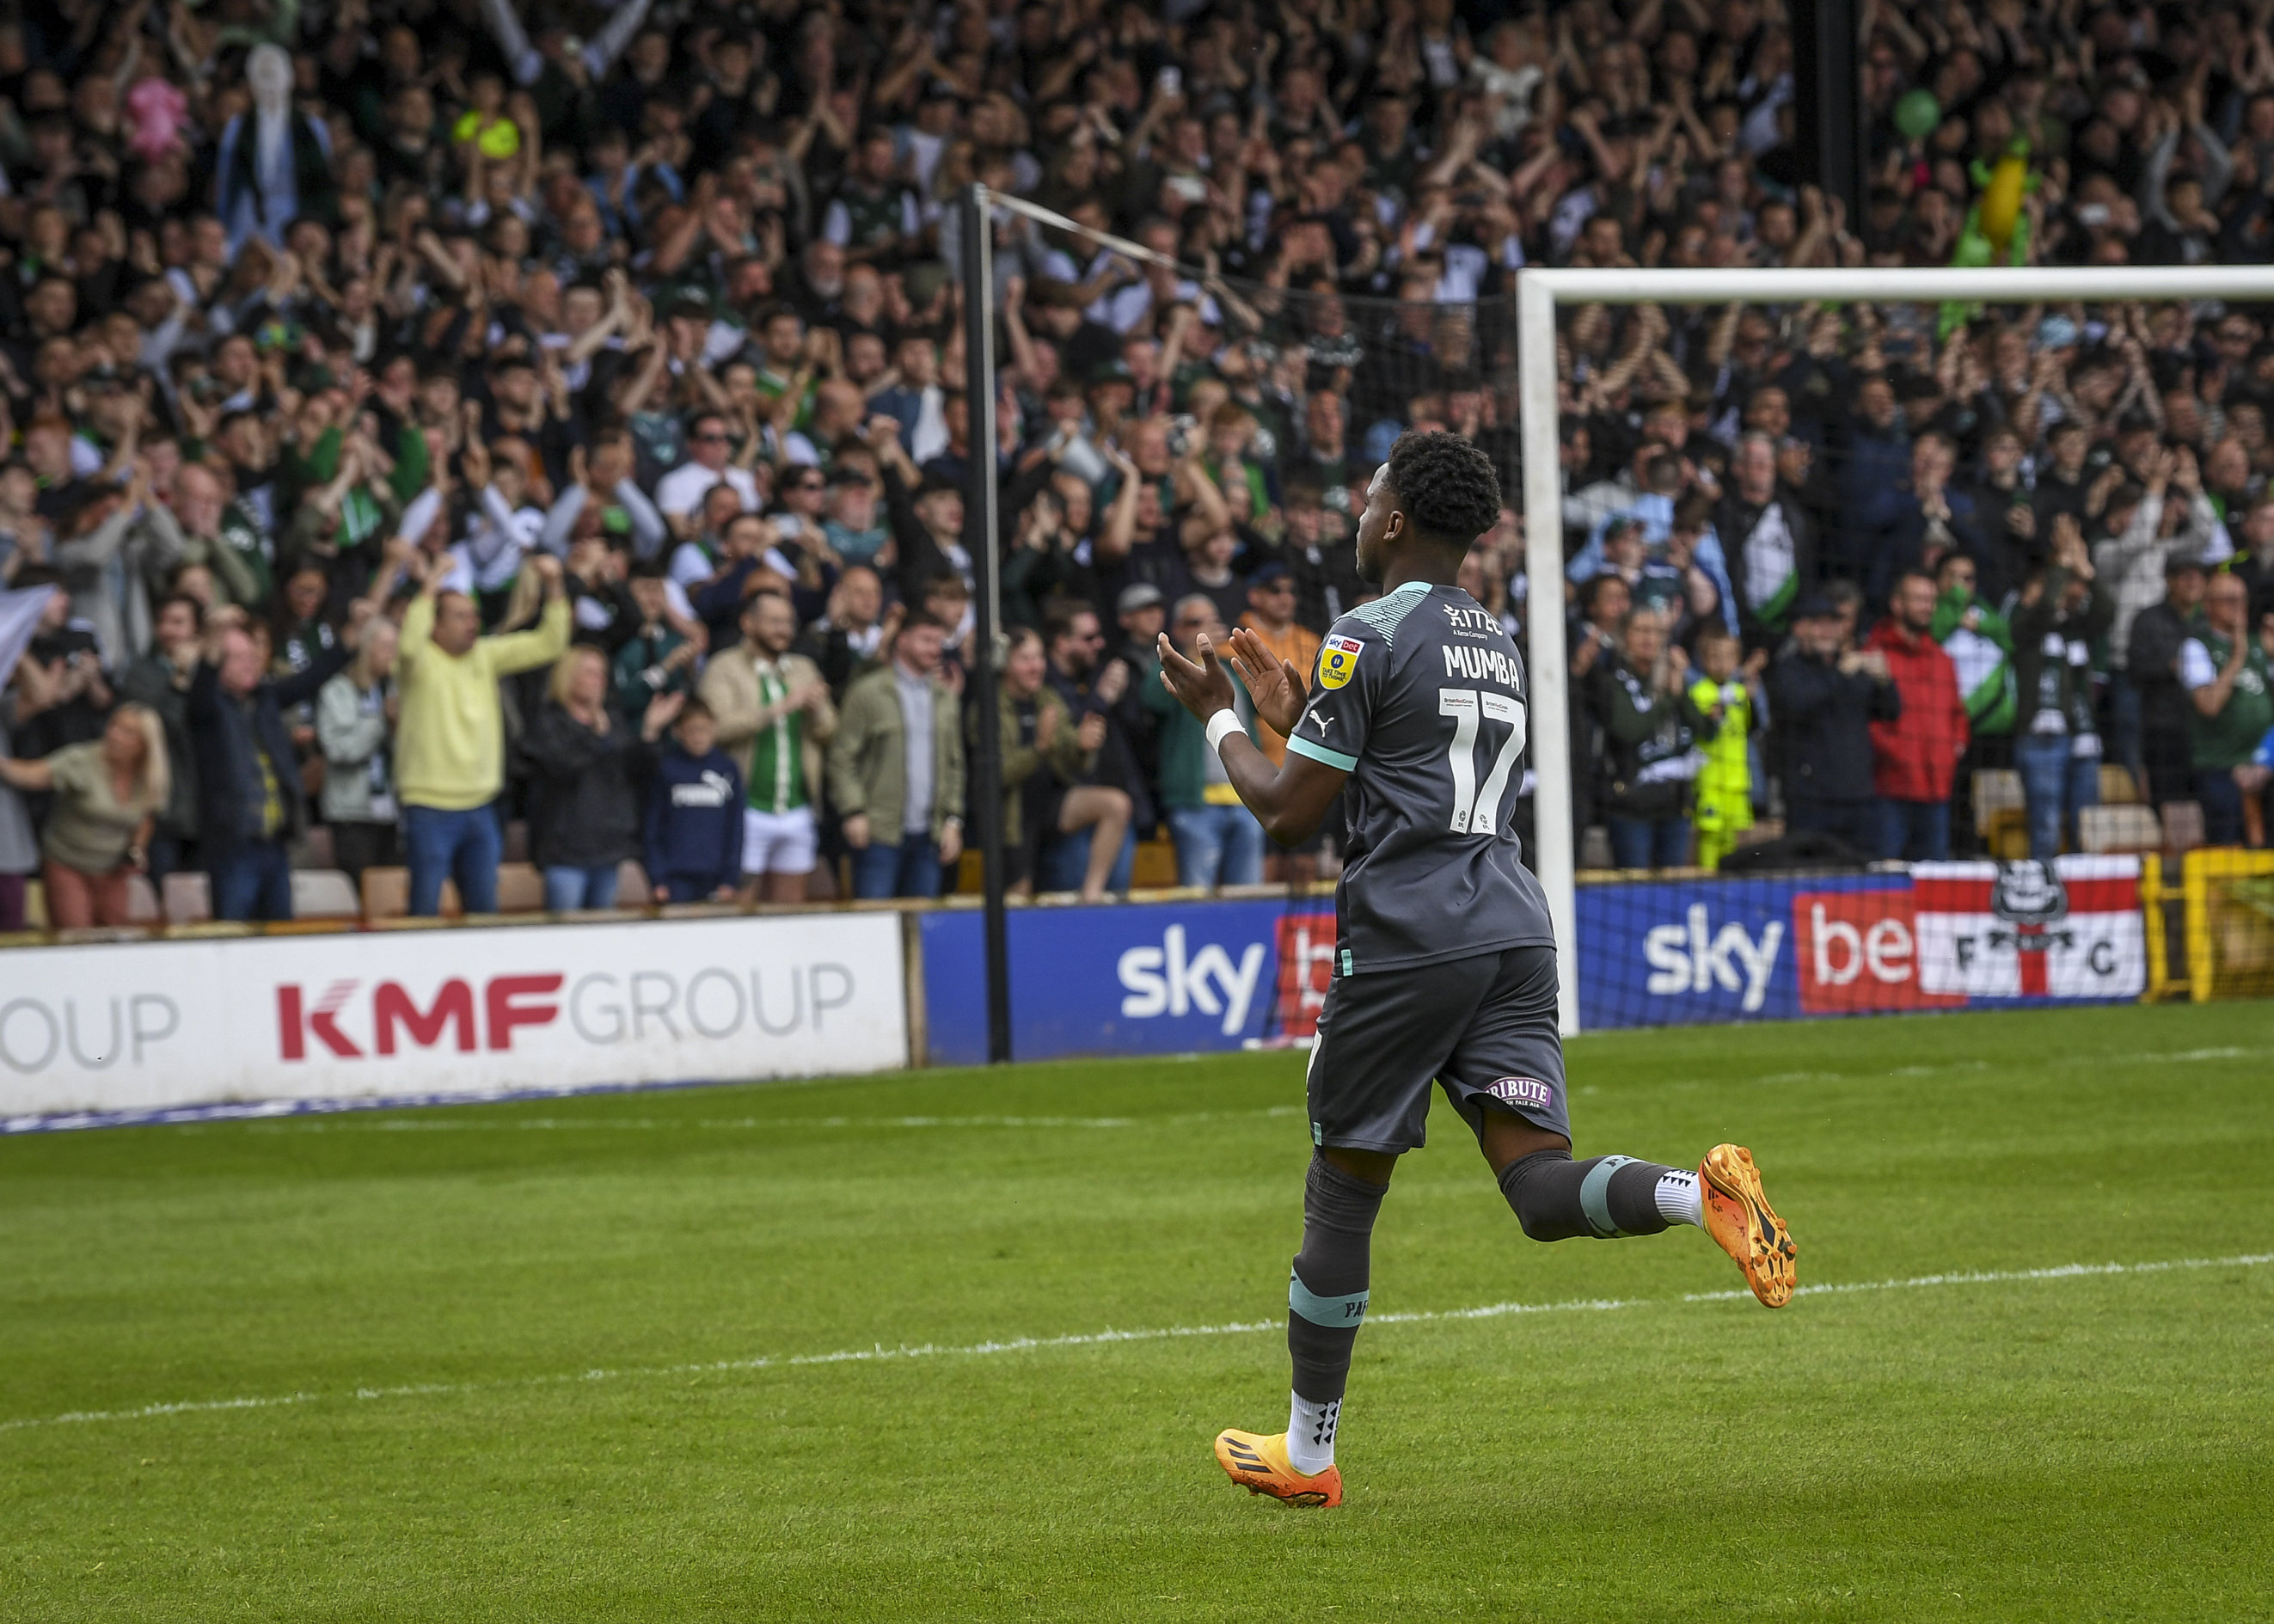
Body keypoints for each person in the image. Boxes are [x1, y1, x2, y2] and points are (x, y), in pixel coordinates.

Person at [1153, 432, 1794, 1511]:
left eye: (1366, 500)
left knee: (1342, 1188)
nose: (1358, 516)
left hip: (1407, 936)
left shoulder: (1366, 629)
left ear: (1396, 519)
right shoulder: (1489, 635)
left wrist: (1213, 713)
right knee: (1539, 1186)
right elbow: (1404, 761)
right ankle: (1699, 1196)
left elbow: (1284, 813)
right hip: (1509, 925)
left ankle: (1307, 1458)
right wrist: (1299, 706)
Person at [394, 551, 572, 917]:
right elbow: (409, 643)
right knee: (423, 913)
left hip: (481, 805)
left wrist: (555, 586)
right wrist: (432, 582)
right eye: (460, 616)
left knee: (485, 915)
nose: (471, 623)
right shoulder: (417, 662)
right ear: (434, 625)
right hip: (429, 805)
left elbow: (550, 643)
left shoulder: (486, 655)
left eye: (474, 615)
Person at [188, 609, 353, 922]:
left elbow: (312, 678)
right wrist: (213, 640)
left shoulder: (264, 700)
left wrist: (352, 636)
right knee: (232, 942)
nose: (250, 663)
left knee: (280, 941)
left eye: (253, 656)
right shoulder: (207, 711)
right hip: (233, 847)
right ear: (219, 664)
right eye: (238, 657)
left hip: (275, 845)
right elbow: (202, 686)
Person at [698, 590, 837, 904]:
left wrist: (815, 710)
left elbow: (829, 730)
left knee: (790, 910)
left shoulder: (804, 668)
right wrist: (779, 707)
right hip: (746, 808)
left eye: (788, 622)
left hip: (797, 808)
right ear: (748, 623)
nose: (784, 630)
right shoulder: (724, 667)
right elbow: (715, 729)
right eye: (774, 622)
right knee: (741, 908)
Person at [523, 645, 681, 911]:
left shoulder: (612, 720)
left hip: (608, 850)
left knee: (601, 938)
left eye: (602, 673)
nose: (600, 680)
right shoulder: (548, 721)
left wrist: (650, 733)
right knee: (564, 939)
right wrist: (596, 736)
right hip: (565, 853)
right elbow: (563, 767)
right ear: (568, 677)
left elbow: (634, 772)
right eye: (590, 673)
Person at [827, 610, 965, 899]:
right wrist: (853, 811)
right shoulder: (868, 692)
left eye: (938, 641)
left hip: (930, 835)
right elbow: (842, 758)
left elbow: (955, 765)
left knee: (920, 929)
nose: (934, 648)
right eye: (926, 640)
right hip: (878, 833)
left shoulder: (945, 698)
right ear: (902, 641)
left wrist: (953, 820)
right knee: (874, 928)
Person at [0, 703, 168, 928]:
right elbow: (28, 775)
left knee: (115, 934)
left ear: (143, 745)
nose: (114, 735)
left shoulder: (150, 777)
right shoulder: (81, 761)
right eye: (114, 726)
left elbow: (146, 816)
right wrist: (3, 764)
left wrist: (137, 849)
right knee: (75, 935)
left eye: (127, 732)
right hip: (67, 864)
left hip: (112, 869)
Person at [1143, 594, 1266, 891]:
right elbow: (1152, 698)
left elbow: (1265, 703)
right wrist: (1189, 654)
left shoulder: (1232, 669)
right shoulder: (1171, 667)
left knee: (1248, 895)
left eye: (1210, 621)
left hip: (1246, 802)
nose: (1205, 629)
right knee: (1197, 896)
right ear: (1178, 628)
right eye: (1195, 623)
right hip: (1195, 805)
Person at [2009, 529, 2116, 861]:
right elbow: (2043, 609)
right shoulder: (2022, 627)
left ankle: (2084, 900)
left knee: (2088, 826)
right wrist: (2061, 564)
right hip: (2041, 741)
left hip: (2080, 737)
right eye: (2049, 587)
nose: (2060, 593)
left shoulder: (2076, 628)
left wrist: (2086, 571)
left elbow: (2107, 611)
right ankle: (2045, 900)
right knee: (2046, 828)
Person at [1770, 594, 1901, 852]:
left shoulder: (1852, 667)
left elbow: (1891, 711)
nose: (1828, 631)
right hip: (1810, 803)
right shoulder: (1789, 670)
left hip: (1858, 800)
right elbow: (1798, 703)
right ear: (1799, 628)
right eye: (1818, 623)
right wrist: (1839, 674)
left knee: (1861, 884)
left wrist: (1885, 680)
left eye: (1833, 623)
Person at [986, 627, 1106, 900]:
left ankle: (1092, 896)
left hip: (1051, 803)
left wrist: (1082, 746)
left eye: (1039, 658)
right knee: (1019, 894)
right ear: (1006, 664)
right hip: (1012, 817)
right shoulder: (989, 707)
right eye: (1026, 659)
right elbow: (997, 775)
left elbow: (1072, 757)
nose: (1036, 667)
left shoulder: (1047, 698)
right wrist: (1038, 748)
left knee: (1116, 804)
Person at [1587, 604, 1703, 871]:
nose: (1649, 639)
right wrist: (1668, 700)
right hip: (1630, 805)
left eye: (1656, 631)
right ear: (1624, 635)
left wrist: (1680, 688)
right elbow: (1628, 729)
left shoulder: (1671, 676)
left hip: (1674, 804)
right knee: (1634, 889)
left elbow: (1702, 728)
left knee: (1674, 890)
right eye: (1640, 631)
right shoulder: (1612, 680)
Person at [1865, 572, 1969, 863]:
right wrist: (1896, 753)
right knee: (1885, 878)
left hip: (1937, 789)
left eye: (1931, 600)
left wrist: (1954, 747)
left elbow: (1958, 714)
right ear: (1897, 604)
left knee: (1936, 881)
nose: (1928, 607)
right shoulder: (1875, 655)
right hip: (1891, 790)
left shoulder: (1942, 659)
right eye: (1920, 599)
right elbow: (1866, 719)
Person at [2180, 573, 2274, 847]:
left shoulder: (2262, 644)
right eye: (2229, 600)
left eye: (2242, 599)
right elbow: (2209, 705)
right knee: (2227, 845)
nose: (2239, 606)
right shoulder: (2196, 647)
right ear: (2208, 605)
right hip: (2219, 764)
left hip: (2263, 766)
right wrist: (2238, 655)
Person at [315, 616, 401, 889]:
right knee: (364, 897)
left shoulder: (396, 691)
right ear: (366, 648)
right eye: (386, 646)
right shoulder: (337, 691)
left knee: (392, 899)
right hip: (353, 816)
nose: (393, 654)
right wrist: (380, 722)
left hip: (394, 813)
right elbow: (340, 750)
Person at [2129, 554, 2210, 809]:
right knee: (2169, 804)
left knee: (2206, 804)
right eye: (2186, 576)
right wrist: (2172, 667)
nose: (2193, 582)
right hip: (2164, 729)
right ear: (2169, 581)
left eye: (2199, 576)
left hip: (2206, 730)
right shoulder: (2148, 619)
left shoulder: (2208, 620)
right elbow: (2136, 672)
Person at [645, 701, 745, 904]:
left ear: (715, 728)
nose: (699, 737)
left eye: (704, 730)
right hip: (675, 878)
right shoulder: (667, 768)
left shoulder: (727, 768)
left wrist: (730, 877)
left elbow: (735, 828)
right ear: (678, 731)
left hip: (716, 877)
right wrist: (658, 878)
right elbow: (654, 826)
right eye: (692, 730)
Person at [1687, 628, 1762, 871]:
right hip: (1710, 784)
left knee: (1733, 841)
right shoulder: (1699, 692)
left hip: (1737, 783)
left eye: (1728, 657)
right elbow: (1703, 729)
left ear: (1736, 660)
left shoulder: (1742, 693)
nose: (1721, 664)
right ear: (1704, 660)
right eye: (1714, 657)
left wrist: (1752, 700)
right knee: (1709, 838)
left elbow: (1752, 728)